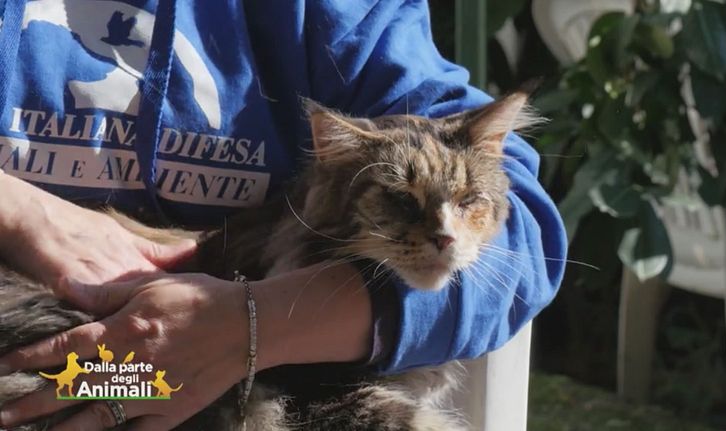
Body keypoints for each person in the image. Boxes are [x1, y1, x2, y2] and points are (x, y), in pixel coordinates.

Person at [0, 0, 567, 430]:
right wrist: (18, 210)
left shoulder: (342, 13)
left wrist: (244, 326)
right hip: (44, 350)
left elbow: (527, 243)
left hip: (247, 354)